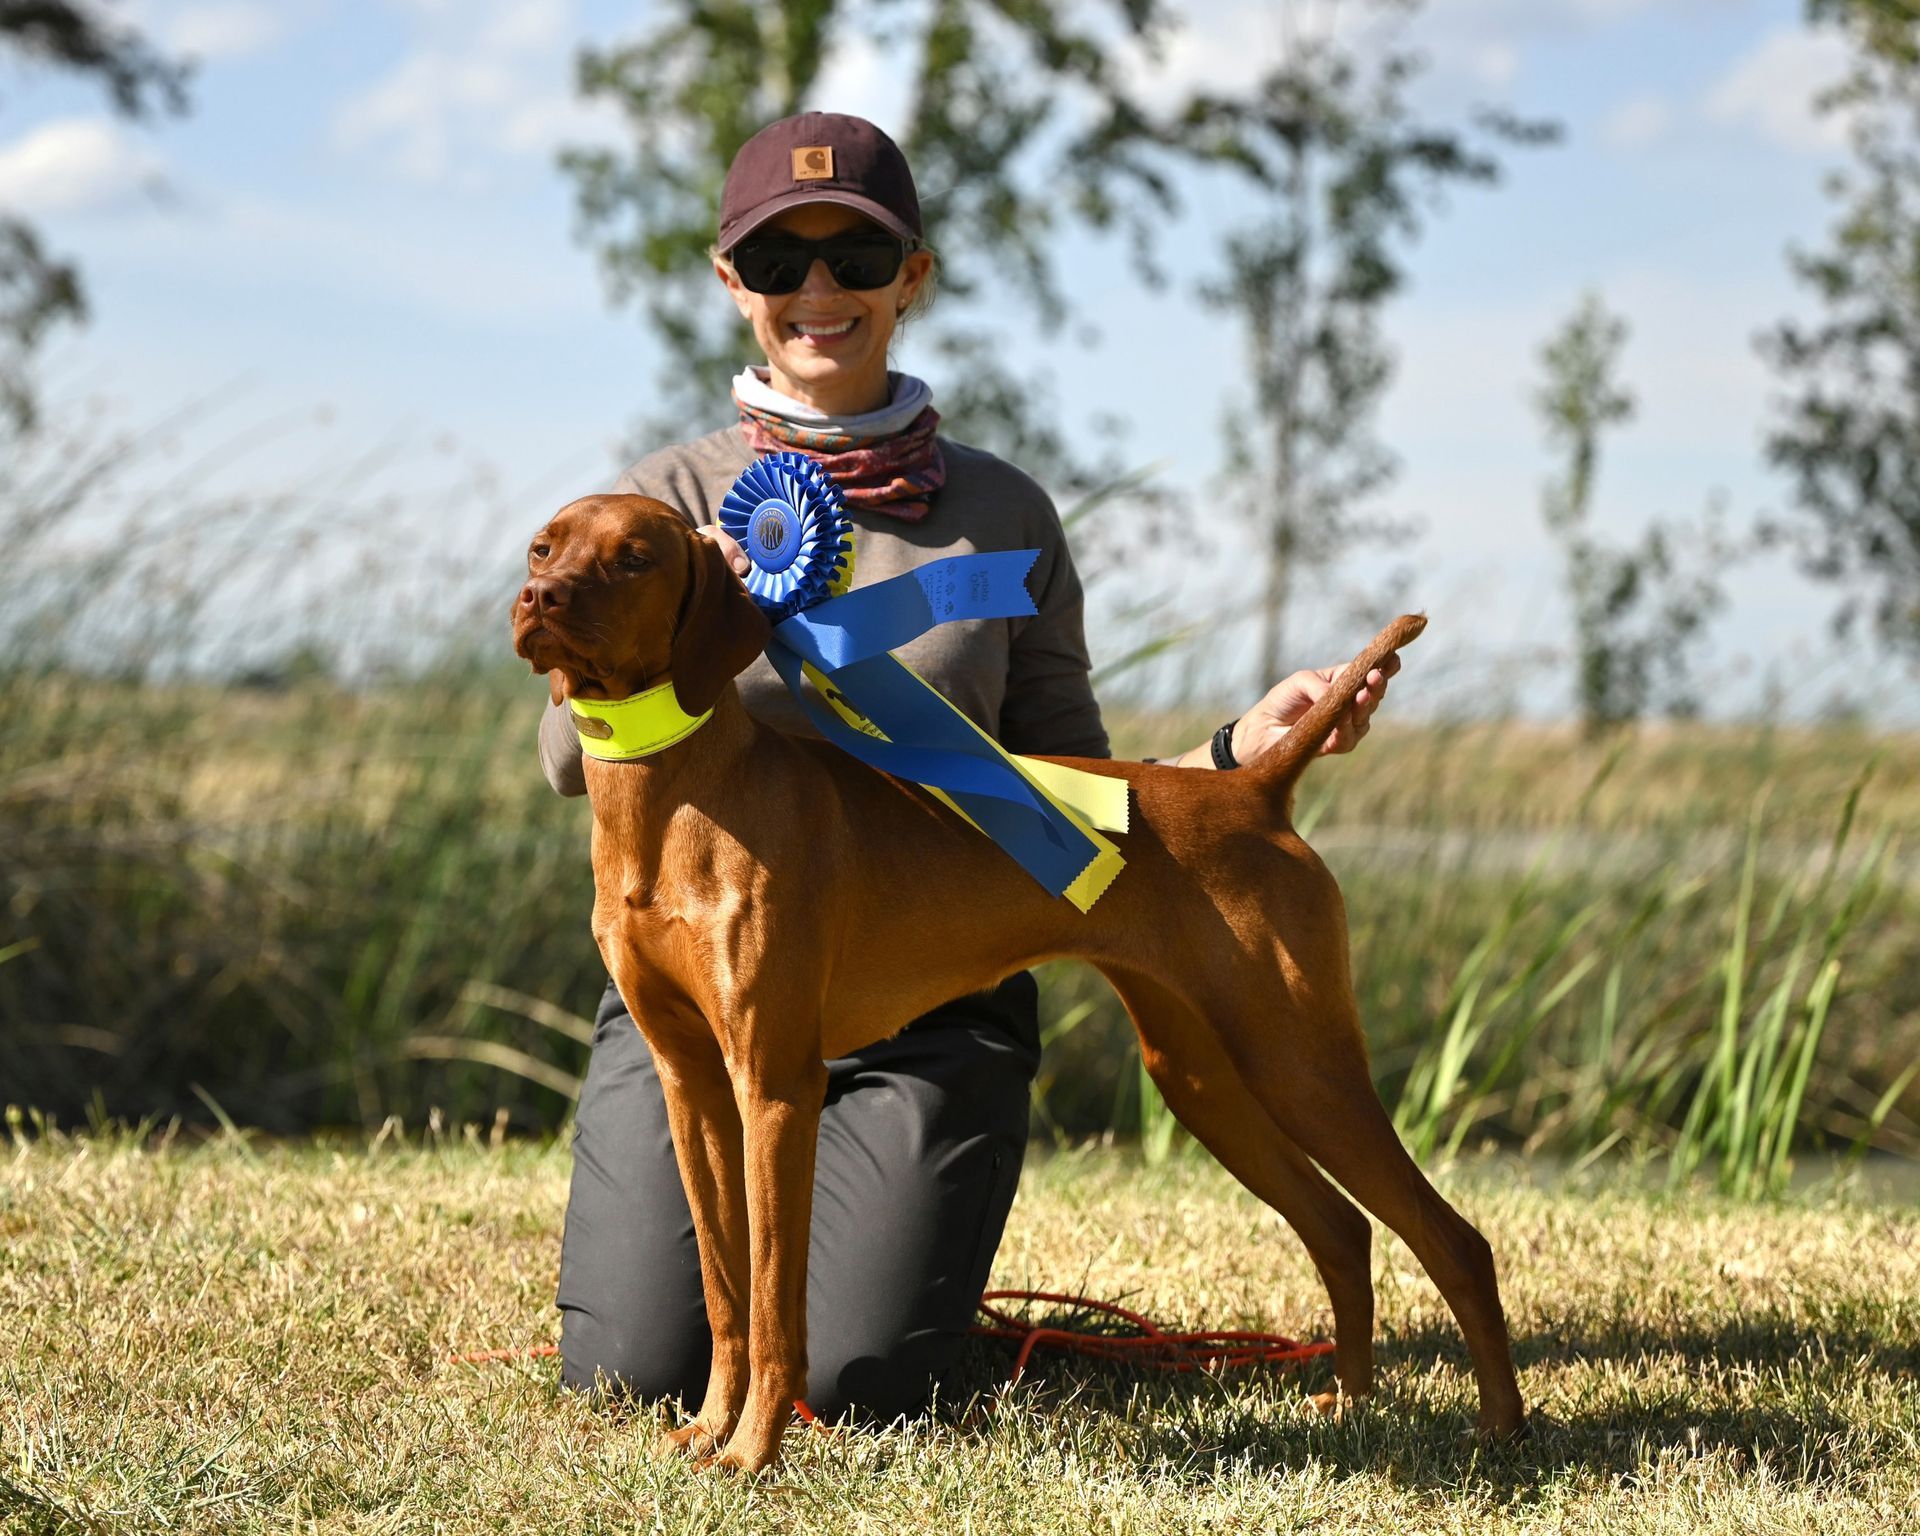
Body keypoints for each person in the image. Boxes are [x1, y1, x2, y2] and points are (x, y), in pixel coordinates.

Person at [540, 110, 1397, 1423]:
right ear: (733, 286)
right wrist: (690, 623)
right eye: (778, 262)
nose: (817, 292)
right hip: (711, 994)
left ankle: (904, 1304)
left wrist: (1235, 755)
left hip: (933, 992)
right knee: (632, 1375)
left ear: (912, 278)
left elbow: (1068, 781)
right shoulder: (661, 508)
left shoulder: (1002, 512)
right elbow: (569, 749)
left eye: (853, 257)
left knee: (865, 1377)